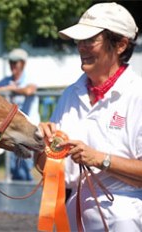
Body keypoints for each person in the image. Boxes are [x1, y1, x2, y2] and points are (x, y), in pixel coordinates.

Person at [39, 2, 142, 231]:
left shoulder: (138, 95)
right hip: (73, 216)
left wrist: (100, 159)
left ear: (121, 45)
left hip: (126, 219)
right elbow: (52, 172)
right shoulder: (70, 93)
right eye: (80, 41)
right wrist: (42, 146)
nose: (81, 47)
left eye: (90, 40)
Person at [0, 48, 40, 181]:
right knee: (13, 167)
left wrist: (11, 89)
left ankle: (28, 194)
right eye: (11, 62)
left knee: (25, 166)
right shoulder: (6, 81)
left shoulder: (30, 79)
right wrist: (8, 88)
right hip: (12, 130)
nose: (12, 65)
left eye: (16, 62)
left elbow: (29, 90)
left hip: (28, 130)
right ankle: (18, 196)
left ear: (23, 64)